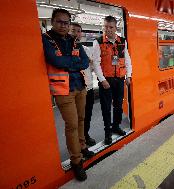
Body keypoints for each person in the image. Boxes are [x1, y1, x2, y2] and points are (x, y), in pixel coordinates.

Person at [42, 9, 94, 181]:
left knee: (81, 119)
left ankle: (82, 146)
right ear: (52, 21)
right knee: (71, 124)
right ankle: (76, 161)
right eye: (59, 22)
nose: (63, 25)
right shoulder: (46, 39)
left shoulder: (74, 41)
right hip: (63, 90)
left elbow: (85, 62)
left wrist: (68, 62)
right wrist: (73, 62)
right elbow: (55, 61)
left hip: (80, 86)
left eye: (66, 22)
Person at [93, 16, 132, 145]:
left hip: (120, 79)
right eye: (105, 27)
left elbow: (127, 60)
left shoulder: (122, 41)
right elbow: (96, 64)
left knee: (118, 105)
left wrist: (129, 75)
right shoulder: (98, 42)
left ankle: (116, 126)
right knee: (106, 108)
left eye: (111, 27)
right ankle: (107, 133)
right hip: (106, 80)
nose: (108, 29)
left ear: (116, 28)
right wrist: (102, 79)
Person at [69, 23, 97, 146]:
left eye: (78, 31)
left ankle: (85, 136)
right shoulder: (65, 50)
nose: (76, 33)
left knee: (87, 115)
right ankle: (76, 143)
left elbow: (91, 66)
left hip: (88, 87)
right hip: (74, 88)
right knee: (75, 119)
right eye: (73, 31)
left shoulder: (86, 49)